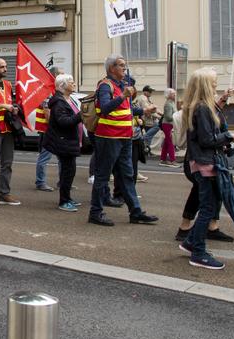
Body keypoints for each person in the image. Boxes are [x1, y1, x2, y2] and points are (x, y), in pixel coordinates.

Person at [178, 68, 234, 270]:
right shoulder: (202, 108)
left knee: (208, 206)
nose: (216, 83)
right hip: (206, 163)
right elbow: (206, 139)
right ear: (205, 85)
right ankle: (198, 253)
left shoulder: (200, 106)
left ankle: (190, 243)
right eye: (213, 81)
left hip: (204, 162)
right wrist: (228, 137)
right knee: (208, 208)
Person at [87, 54, 158, 227]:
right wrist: (122, 96)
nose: (125, 68)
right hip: (109, 137)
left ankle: (136, 212)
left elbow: (127, 111)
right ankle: (95, 213)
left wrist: (144, 111)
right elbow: (104, 109)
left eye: (124, 65)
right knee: (103, 175)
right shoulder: (105, 86)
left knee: (127, 175)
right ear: (112, 68)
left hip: (124, 138)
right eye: (121, 65)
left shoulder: (122, 86)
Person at [43, 74, 83, 212]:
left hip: (70, 140)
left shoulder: (69, 98)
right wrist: (81, 115)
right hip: (64, 141)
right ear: (62, 86)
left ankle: (68, 198)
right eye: (71, 82)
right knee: (67, 171)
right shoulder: (59, 103)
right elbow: (64, 122)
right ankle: (64, 201)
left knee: (70, 171)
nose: (74, 84)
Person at [0, 57, 20, 206]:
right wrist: (4, 106)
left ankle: (4, 193)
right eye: (2, 67)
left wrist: (14, 108)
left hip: (8, 128)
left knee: (7, 162)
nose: (5, 69)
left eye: (6, 67)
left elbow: (10, 101)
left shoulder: (7, 84)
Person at [34, 66, 63, 193]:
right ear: (54, 76)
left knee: (62, 157)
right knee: (45, 157)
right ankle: (40, 182)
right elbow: (47, 112)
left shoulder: (55, 90)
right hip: (48, 130)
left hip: (52, 129)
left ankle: (63, 182)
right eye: (61, 74)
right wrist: (56, 126)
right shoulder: (46, 90)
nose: (64, 76)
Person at [137, 85, 161, 150]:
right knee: (158, 126)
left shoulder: (147, 98)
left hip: (148, 120)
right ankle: (143, 139)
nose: (151, 93)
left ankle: (147, 150)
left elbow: (153, 109)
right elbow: (148, 110)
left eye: (151, 91)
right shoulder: (143, 98)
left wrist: (160, 114)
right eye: (149, 91)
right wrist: (158, 116)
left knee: (149, 136)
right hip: (145, 119)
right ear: (145, 92)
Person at [159, 88, 178, 166]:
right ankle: (172, 160)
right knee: (170, 142)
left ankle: (163, 159)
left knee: (167, 142)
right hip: (167, 125)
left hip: (169, 124)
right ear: (169, 95)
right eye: (173, 93)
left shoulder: (172, 103)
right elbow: (168, 117)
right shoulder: (168, 104)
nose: (175, 95)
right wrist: (177, 116)